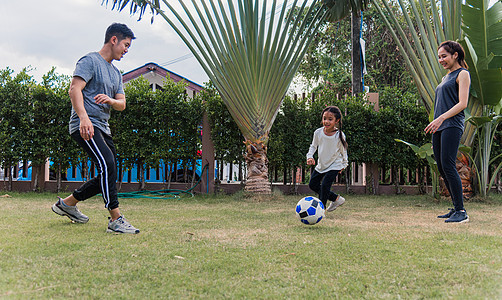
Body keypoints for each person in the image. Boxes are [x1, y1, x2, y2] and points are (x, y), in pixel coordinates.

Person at [52, 23, 140, 234]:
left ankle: (67, 204)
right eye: (125, 45)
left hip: (102, 127)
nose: (126, 50)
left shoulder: (116, 74)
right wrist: (83, 118)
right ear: (113, 40)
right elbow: (75, 89)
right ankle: (115, 219)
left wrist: (110, 100)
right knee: (108, 164)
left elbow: (122, 104)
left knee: (108, 172)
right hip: (85, 125)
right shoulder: (90, 61)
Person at [425, 40, 470, 223]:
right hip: (440, 126)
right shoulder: (446, 77)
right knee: (443, 167)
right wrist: (437, 121)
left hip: (452, 125)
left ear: (455, 55)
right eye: (439, 57)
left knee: (449, 165)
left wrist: (442, 117)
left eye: (444, 56)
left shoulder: (463, 74)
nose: (441, 60)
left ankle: (461, 211)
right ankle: (455, 207)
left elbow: (463, 103)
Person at [306, 106, 348, 212]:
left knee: (325, 185)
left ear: (336, 121)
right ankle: (335, 199)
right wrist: (310, 156)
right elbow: (313, 146)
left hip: (335, 164)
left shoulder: (339, 135)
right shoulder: (318, 133)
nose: (326, 121)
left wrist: (344, 164)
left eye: (330, 119)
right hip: (322, 164)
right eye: (324, 118)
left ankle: (320, 210)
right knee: (312, 184)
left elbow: (344, 151)